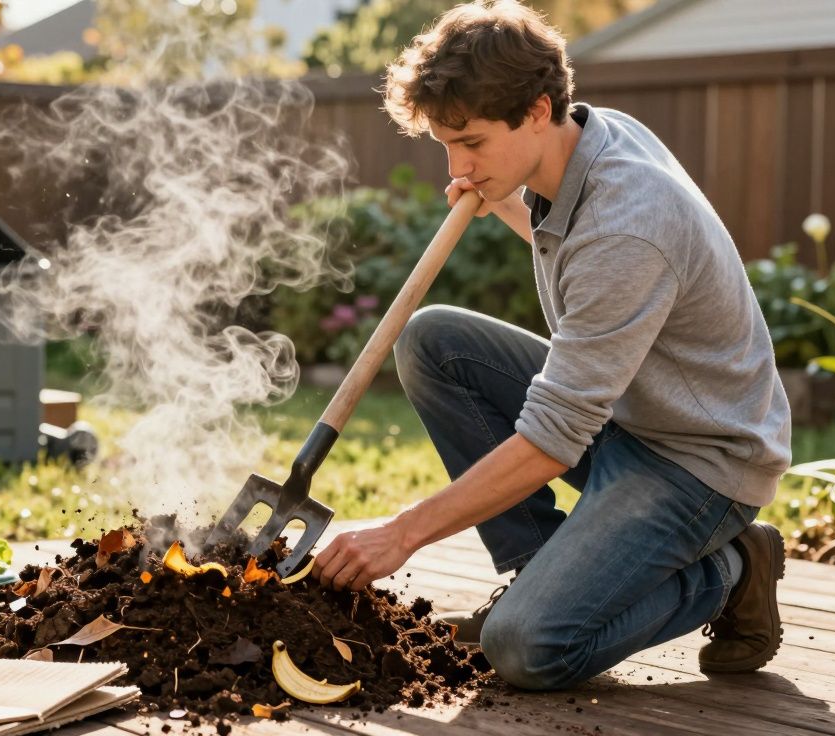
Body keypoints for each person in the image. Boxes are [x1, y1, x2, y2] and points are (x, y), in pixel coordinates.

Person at [309, 0, 791, 690]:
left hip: (698, 459)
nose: (459, 165)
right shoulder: (588, 138)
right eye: (446, 143)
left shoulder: (630, 222)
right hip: (630, 415)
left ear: (536, 110)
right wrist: (500, 192)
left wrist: (401, 532)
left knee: (528, 649)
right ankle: (540, 569)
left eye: (472, 142)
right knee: (433, 340)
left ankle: (733, 567)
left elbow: (553, 439)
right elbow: (580, 255)